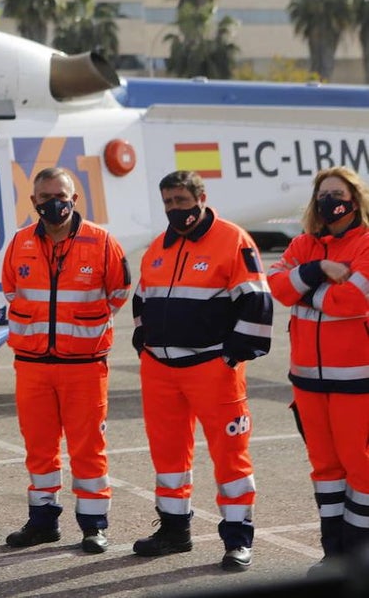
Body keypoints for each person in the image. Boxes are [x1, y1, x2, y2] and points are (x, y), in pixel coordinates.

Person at [132, 170, 273, 572]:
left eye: (180, 200)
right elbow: (142, 299)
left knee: (231, 458)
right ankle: (175, 532)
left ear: (200, 197)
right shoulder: (159, 245)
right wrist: (143, 343)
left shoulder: (232, 239)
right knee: (168, 455)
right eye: (168, 203)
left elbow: (257, 300)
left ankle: (238, 539)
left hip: (212, 367)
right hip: (160, 369)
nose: (174, 210)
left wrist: (233, 354)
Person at [1, 167, 130, 555]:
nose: (53, 203)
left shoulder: (102, 241)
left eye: (61, 196)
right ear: (34, 202)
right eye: (44, 198)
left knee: (87, 449)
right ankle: (43, 522)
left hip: (85, 367)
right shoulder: (20, 242)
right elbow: (12, 290)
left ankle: (93, 526)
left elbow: (119, 292)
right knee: (39, 448)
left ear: (74, 200)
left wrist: (82, 326)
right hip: (33, 365)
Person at [267, 166, 369, 571]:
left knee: (360, 469)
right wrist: (316, 271)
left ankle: (359, 559)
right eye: (322, 194)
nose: (329, 200)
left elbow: (356, 299)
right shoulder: (302, 245)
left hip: (356, 380)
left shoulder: (366, 243)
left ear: (355, 199)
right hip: (307, 381)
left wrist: (305, 294)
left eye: (337, 193)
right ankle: (334, 555)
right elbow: (276, 286)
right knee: (325, 470)